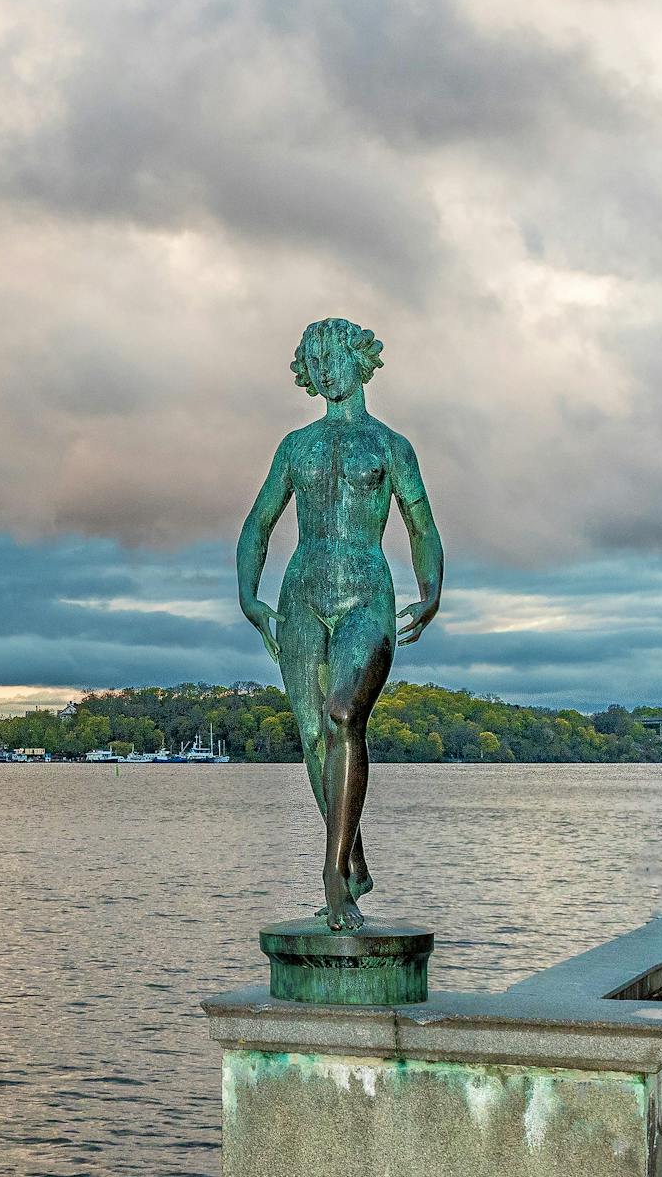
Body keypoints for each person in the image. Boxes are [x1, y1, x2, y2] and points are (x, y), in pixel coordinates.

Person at [236, 318, 444, 930]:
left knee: (344, 713)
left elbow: (422, 525)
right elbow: (258, 523)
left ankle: (334, 880)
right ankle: (351, 857)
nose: (326, 370)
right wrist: (249, 596)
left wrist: (431, 589)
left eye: (334, 357)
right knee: (311, 736)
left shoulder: (388, 446)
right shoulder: (296, 446)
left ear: (361, 361)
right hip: (300, 595)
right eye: (314, 360)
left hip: (365, 596)